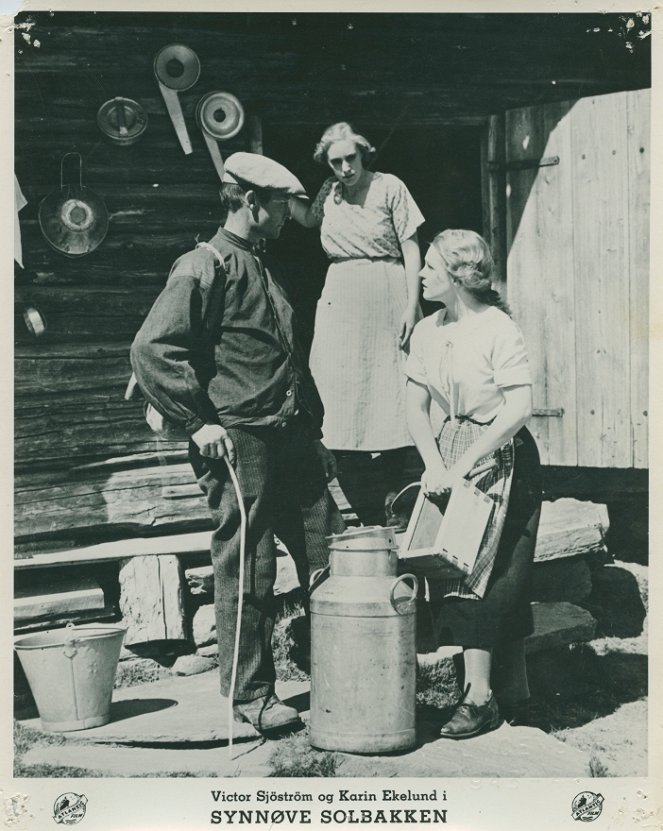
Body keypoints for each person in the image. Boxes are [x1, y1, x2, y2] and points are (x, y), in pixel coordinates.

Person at [130, 152, 344, 734]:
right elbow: (153, 350)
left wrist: (314, 433)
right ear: (252, 203)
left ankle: (348, 674)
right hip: (238, 439)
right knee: (249, 565)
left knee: (331, 554)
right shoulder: (204, 265)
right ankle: (250, 695)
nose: (287, 217)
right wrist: (196, 421)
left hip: (292, 435)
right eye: (280, 206)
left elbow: (286, 359)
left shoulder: (267, 266)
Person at [405, 228, 541, 738]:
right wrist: (434, 464)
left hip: (503, 455)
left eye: (430, 266)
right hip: (448, 453)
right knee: (450, 567)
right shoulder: (426, 331)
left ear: (459, 275)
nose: (420, 273)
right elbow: (415, 407)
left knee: (488, 571)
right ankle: (508, 694)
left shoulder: (497, 329)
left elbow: (519, 409)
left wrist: (462, 467)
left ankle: (480, 698)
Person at [289, 122, 425, 528]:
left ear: (363, 153)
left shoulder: (389, 187)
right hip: (341, 295)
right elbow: (307, 221)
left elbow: (412, 245)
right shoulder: (329, 194)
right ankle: (363, 507)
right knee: (340, 391)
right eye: (335, 162)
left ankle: (394, 499)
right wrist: (275, 186)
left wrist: (412, 304)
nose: (345, 168)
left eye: (350, 158)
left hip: (386, 288)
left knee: (390, 389)